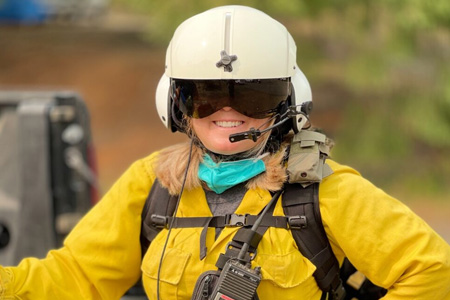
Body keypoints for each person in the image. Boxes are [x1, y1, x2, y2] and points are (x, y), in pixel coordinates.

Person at [1, 5, 450, 300]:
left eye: (252, 97)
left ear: (287, 101)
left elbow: (434, 272)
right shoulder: (151, 184)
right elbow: (76, 277)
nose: (228, 112)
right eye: (207, 95)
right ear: (176, 103)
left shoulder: (324, 192)